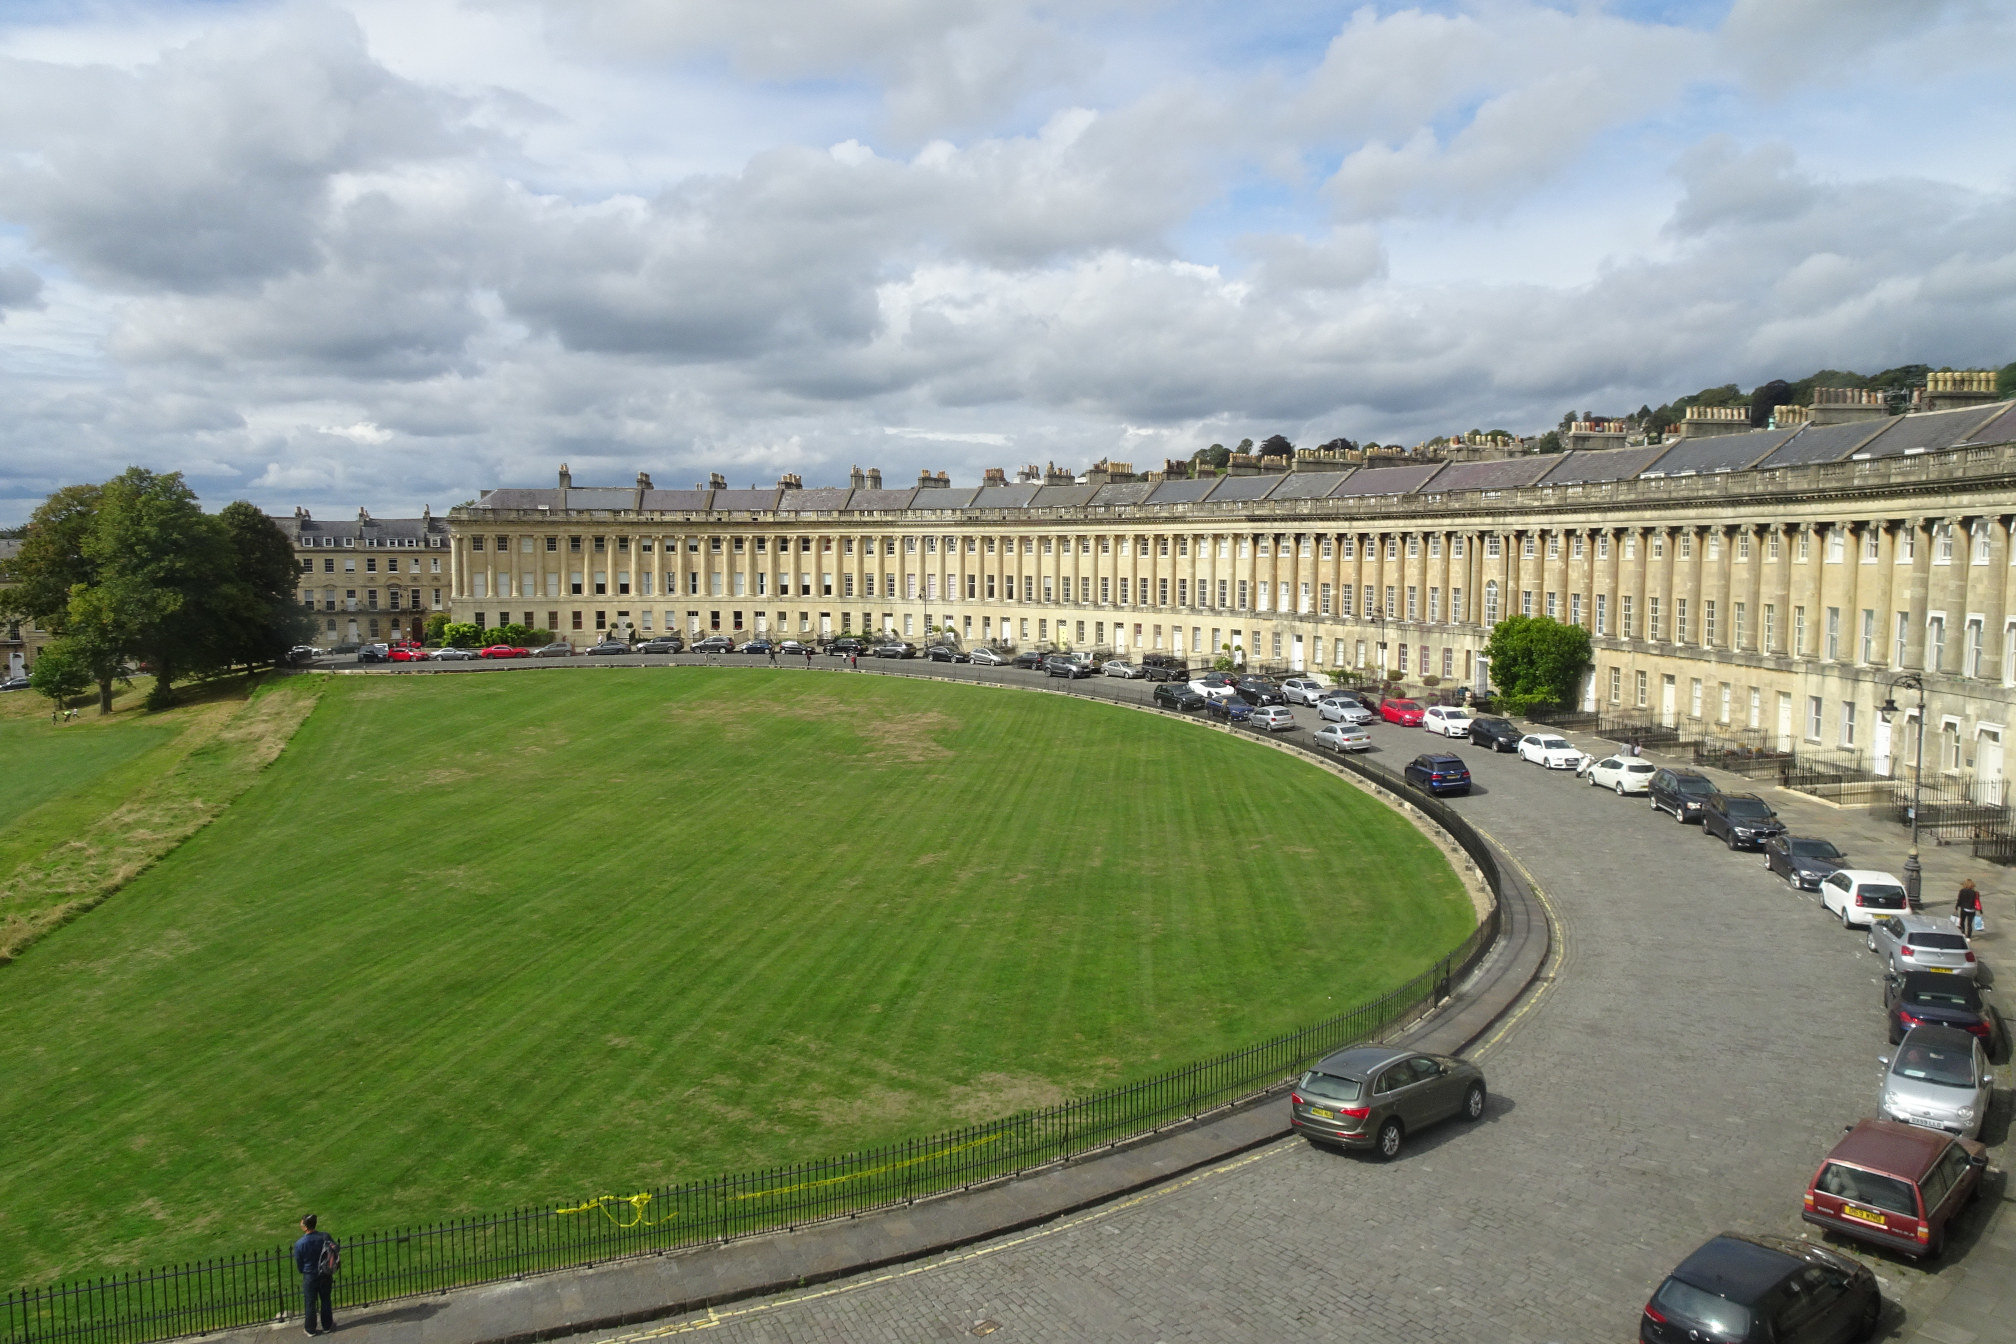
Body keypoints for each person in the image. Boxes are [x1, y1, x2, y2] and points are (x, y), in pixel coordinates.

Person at [293, 1214, 336, 1335]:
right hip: (325, 1273)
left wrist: (304, 1270)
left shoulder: (300, 1243)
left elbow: (299, 1263)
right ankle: (327, 1326)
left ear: (305, 1226)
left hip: (310, 1276)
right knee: (326, 1300)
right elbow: (335, 1248)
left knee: (310, 1302)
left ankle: (310, 1329)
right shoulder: (324, 1236)